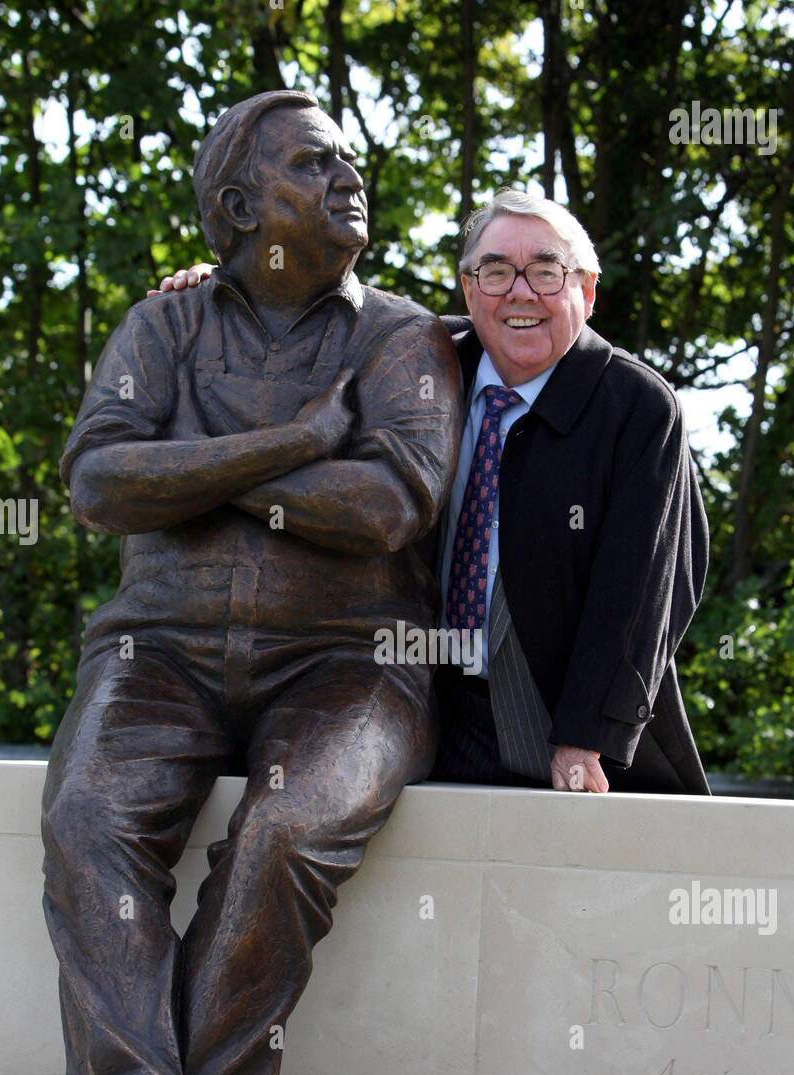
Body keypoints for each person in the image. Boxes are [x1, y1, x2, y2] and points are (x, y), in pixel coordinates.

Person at [37, 89, 462, 1075]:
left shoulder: (401, 336)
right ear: (237, 205)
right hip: (154, 650)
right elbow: (100, 486)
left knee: (284, 829)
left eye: (350, 159)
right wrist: (289, 448)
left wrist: (189, 473)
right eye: (315, 163)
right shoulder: (160, 327)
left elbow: (385, 506)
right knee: (84, 820)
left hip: (350, 662)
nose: (350, 175)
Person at [160, 190, 710, 797]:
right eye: (496, 272)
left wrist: (585, 735)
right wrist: (237, 292)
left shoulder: (635, 406)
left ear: (587, 289)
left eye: (547, 272)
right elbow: (314, 338)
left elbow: (642, 592)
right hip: (418, 699)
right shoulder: (424, 362)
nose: (520, 293)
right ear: (470, 290)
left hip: (554, 726)